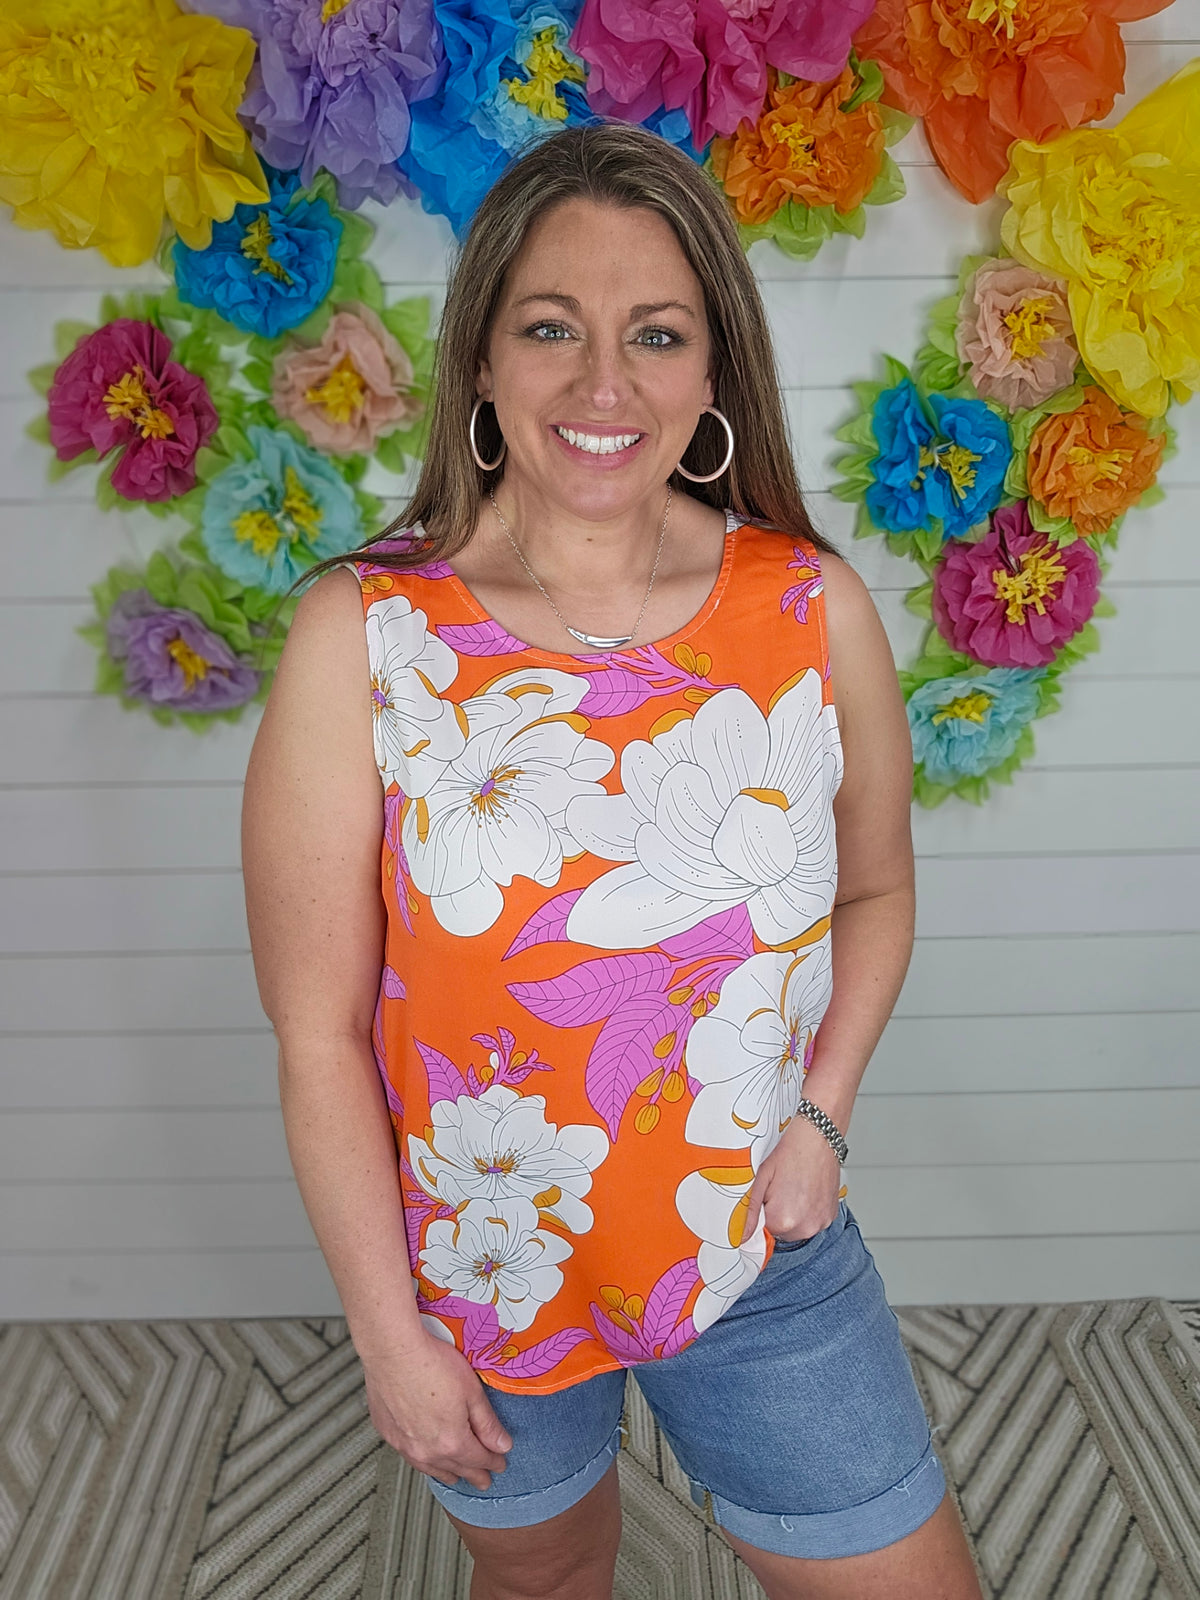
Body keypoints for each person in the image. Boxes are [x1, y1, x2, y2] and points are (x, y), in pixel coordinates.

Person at [242, 122, 984, 1600]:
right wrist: (390, 1338)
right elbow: (318, 1030)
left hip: (758, 1254)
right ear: (484, 367)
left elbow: (881, 890)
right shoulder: (365, 639)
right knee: (548, 1583)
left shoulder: (809, 612)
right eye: (550, 330)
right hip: (480, 1281)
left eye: (655, 334)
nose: (602, 385)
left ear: (712, 373)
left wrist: (821, 1122)